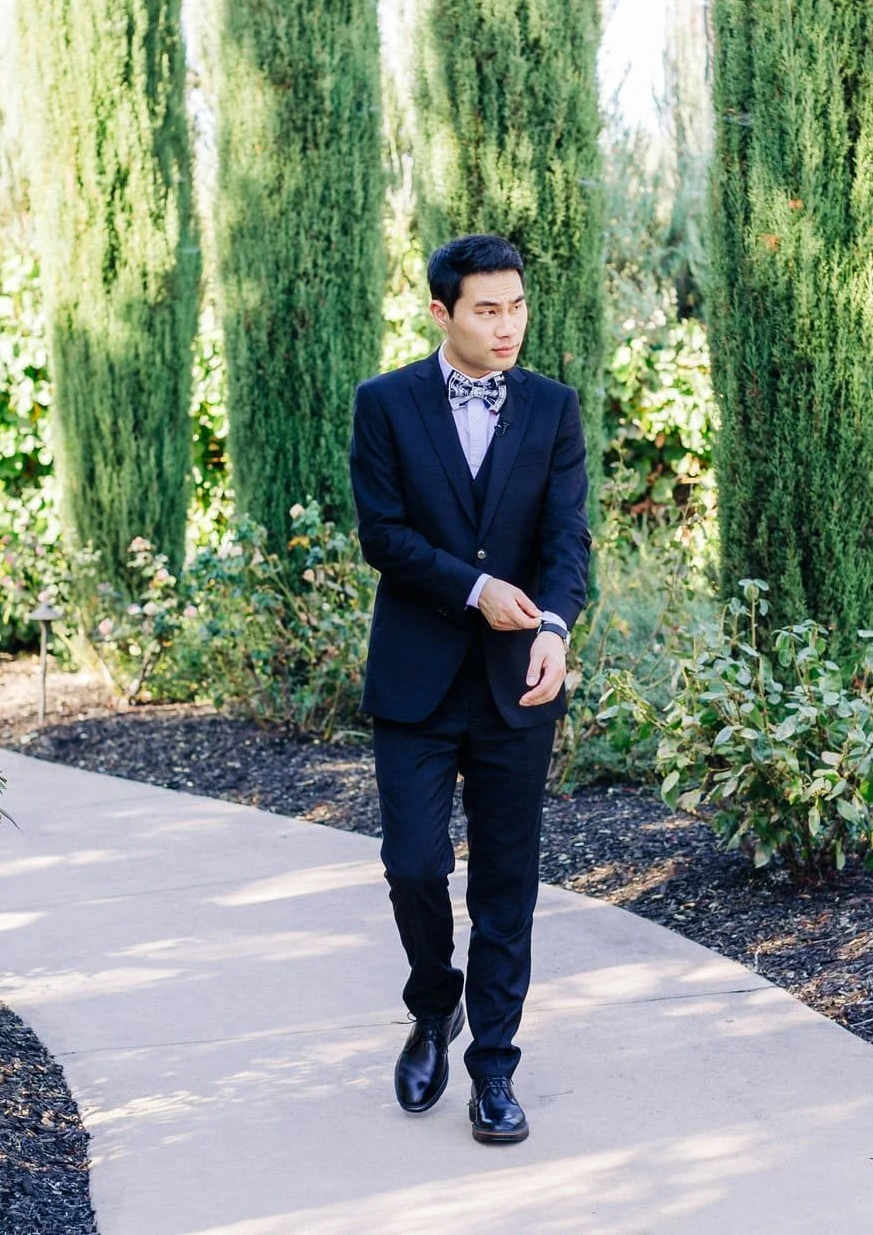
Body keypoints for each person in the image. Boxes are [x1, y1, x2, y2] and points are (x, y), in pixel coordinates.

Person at [346, 233, 592, 1144]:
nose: (508, 325)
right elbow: (384, 535)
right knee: (413, 864)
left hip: (516, 685)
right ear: (443, 313)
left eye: (518, 305)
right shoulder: (385, 405)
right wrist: (475, 588)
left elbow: (568, 540)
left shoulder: (555, 409)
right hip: (415, 680)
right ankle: (431, 1002)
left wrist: (556, 630)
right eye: (488, 309)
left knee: (505, 882)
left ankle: (493, 1066)